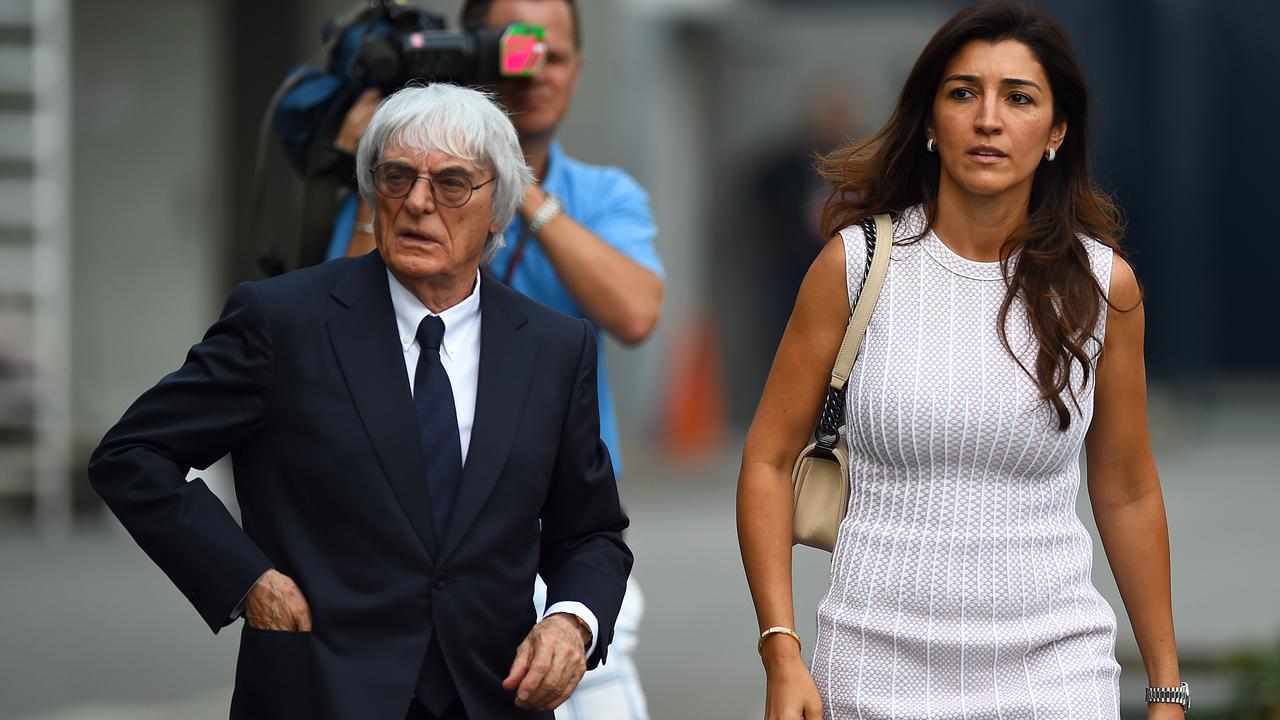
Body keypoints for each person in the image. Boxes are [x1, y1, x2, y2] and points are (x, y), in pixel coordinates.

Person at [89, 84, 632, 720]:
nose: (418, 202)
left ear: (496, 210)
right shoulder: (283, 321)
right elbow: (132, 454)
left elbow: (591, 532)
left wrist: (572, 623)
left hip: (492, 695)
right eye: (396, 177)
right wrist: (245, 580)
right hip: (319, 689)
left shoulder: (553, 344)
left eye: (451, 183)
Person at [737, 3, 1184, 719]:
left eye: (1019, 97)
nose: (988, 119)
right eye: (963, 92)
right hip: (872, 671)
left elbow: (1127, 490)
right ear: (928, 121)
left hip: (1057, 675)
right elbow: (765, 460)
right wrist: (781, 649)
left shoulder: (1105, 287)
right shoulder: (853, 268)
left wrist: (1165, 688)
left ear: (1056, 133)